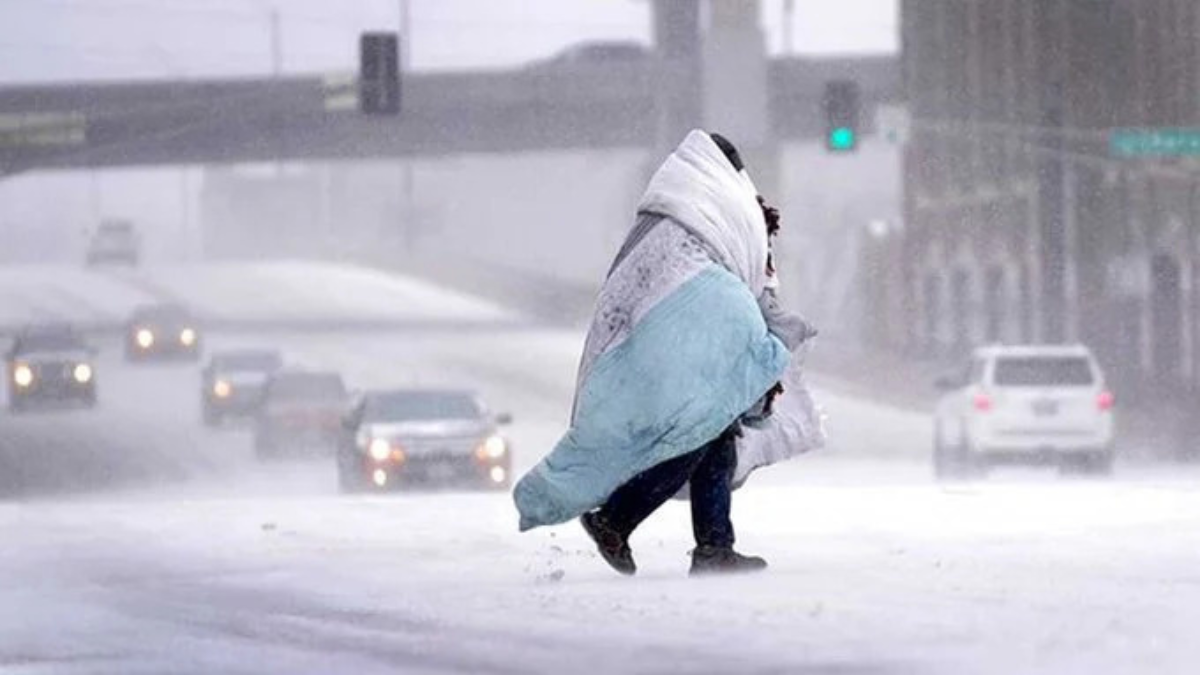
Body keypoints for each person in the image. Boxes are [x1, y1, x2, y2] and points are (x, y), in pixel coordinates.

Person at [513, 130, 800, 576]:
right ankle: (617, 520)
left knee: (714, 433)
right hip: (681, 341)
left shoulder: (671, 213)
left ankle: (713, 546)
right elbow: (731, 280)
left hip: (662, 341)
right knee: (696, 433)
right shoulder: (714, 210)